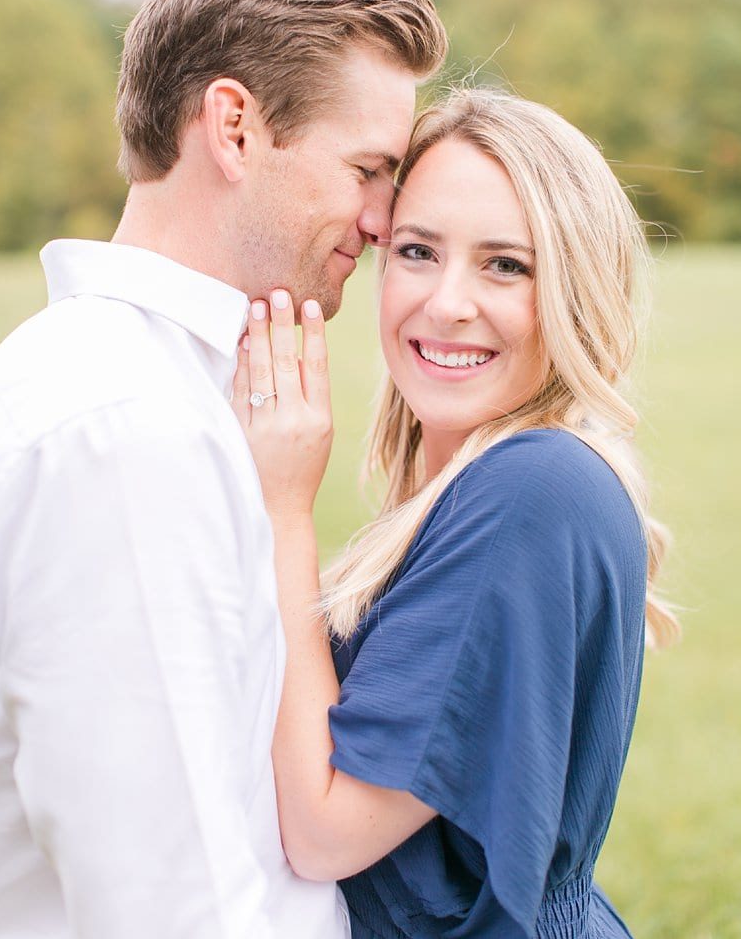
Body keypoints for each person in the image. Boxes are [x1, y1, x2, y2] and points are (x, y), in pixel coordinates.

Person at [0, 0, 448, 937]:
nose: (384, 221)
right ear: (235, 128)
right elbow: (166, 896)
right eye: (369, 169)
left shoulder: (163, 394)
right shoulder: (122, 429)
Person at [234, 87, 677, 938]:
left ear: (577, 290)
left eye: (505, 264)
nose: (445, 302)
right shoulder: (486, 483)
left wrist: (283, 506)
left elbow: (328, 832)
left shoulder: (532, 490)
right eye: (417, 250)